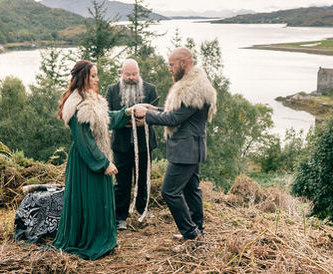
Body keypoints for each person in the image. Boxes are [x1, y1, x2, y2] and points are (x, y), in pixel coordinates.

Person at [134, 47, 217, 244]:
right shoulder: (193, 86)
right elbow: (177, 113)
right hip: (190, 148)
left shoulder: (193, 90)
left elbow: (173, 118)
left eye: (172, 64)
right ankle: (198, 232)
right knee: (191, 190)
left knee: (169, 191)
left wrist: (146, 115)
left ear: (184, 63)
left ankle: (192, 235)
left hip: (186, 150)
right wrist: (154, 109)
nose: (169, 68)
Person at [52, 60, 132, 260]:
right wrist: (103, 163)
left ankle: (103, 239)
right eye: (93, 76)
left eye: (97, 75)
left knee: (100, 201)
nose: (97, 79)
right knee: (91, 201)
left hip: (97, 154)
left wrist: (126, 113)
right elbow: (84, 140)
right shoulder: (77, 104)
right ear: (83, 77)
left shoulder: (91, 98)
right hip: (86, 162)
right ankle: (91, 241)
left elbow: (105, 119)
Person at [105, 59, 158, 230]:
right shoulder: (112, 90)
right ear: (121, 72)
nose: (131, 77)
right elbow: (107, 117)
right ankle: (120, 216)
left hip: (144, 143)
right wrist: (123, 121)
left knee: (143, 178)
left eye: (134, 74)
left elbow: (157, 114)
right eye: (128, 74)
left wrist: (146, 120)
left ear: (139, 72)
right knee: (121, 181)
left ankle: (143, 210)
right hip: (121, 145)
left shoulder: (150, 89)